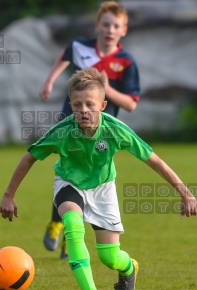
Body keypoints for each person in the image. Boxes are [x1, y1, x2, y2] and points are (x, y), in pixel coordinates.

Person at [0, 68, 197, 290]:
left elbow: (154, 160)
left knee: (109, 257)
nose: (83, 110)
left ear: (103, 105)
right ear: (70, 105)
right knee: (72, 225)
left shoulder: (116, 129)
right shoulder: (62, 131)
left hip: (103, 190)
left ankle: (128, 269)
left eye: (90, 104)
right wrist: (9, 195)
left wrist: (185, 193)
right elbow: (29, 157)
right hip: (69, 183)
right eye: (77, 104)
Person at [38, 1, 140, 259]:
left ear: (123, 30)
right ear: (97, 26)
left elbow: (130, 104)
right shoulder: (80, 46)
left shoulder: (126, 62)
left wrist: (105, 87)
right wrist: (50, 81)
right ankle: (58, 224)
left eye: (116, 25)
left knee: (88, 179)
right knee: (69, 171)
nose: (110, 29)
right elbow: (64, 56)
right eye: (105, 24)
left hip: (103, 132)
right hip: (71, 122)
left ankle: (68, 233)